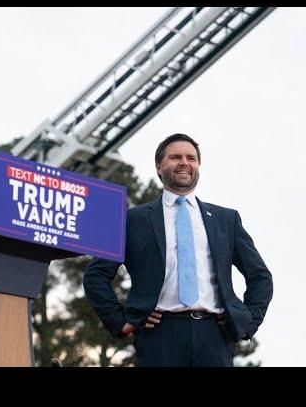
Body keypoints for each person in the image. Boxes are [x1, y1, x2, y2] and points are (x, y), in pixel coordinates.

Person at [83, 133, 273, 367]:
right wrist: (119, 320)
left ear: (198, 166)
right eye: (175, 157)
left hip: (215, 337)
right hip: (159, 336)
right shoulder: (132, 219)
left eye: (191, 158)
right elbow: (96, 276)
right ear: (159, 166)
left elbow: (260, 277)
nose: (184, 162)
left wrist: (247, 321)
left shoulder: (226, 220)